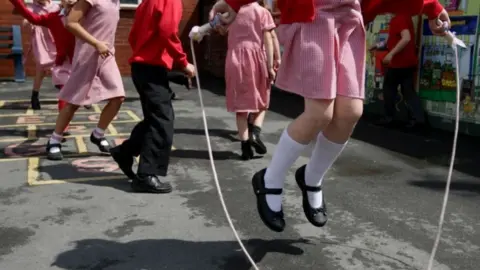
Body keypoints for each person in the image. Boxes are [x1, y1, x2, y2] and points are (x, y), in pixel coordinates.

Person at [209, 0, 450, 232]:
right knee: (319, 113)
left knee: (350, 112)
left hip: (350, 20)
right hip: (315, 17)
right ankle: (270, 179)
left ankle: (311, 177)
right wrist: (235, 1)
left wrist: (431, 6)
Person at [109, 0, 195, 193]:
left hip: (142, 68)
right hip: (151, 69)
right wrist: (183, 62)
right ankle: (145, 175)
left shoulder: (146, 2)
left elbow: (133, 36)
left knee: (154, 119)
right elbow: (167, 31)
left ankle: (125, 152)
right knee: (162, 121)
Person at [45, 0, 125, 160]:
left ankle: (98, 134)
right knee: (74, 102)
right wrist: (96, 43)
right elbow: (70, 23)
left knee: (118, 97)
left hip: (107, 55)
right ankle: (54, 140)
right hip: (87, 55)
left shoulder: (116, 2)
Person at [218, 1, 279, 160]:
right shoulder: (262, 12)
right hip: (255, 60)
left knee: (241, 106)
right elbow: (268, 39)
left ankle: (245, 148)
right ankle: (255, 134)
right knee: (262, 101)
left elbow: (222, 29)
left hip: (234, 60)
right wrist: (271, 66)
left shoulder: (232, 13)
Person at [9, 0, 77, 137]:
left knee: (110, 95)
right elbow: (32, 17)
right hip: (62, 60)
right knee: (64, 91)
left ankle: (98, 131)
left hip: (83, 61)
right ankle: (62, 128)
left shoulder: (87, 15)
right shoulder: (54, 17)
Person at [370, 15, 424, 128]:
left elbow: (406, 38)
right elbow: (392, 41)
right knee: (408, 91)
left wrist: (390, 54)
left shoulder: (398, 18)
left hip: (399, 63)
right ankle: (417, 120)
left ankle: (388, 117)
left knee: (389, 90)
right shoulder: (405, 18)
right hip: (408, 63)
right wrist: (377, 45)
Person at [24, 0, 59, 110]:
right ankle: (35, 96)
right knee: (41, 68)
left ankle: (79, 95)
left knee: (64, 64)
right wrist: (27, 22)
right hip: (41, 41)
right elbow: (25, 21)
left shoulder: (56, 6)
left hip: (56, 38)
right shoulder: (31, 7)